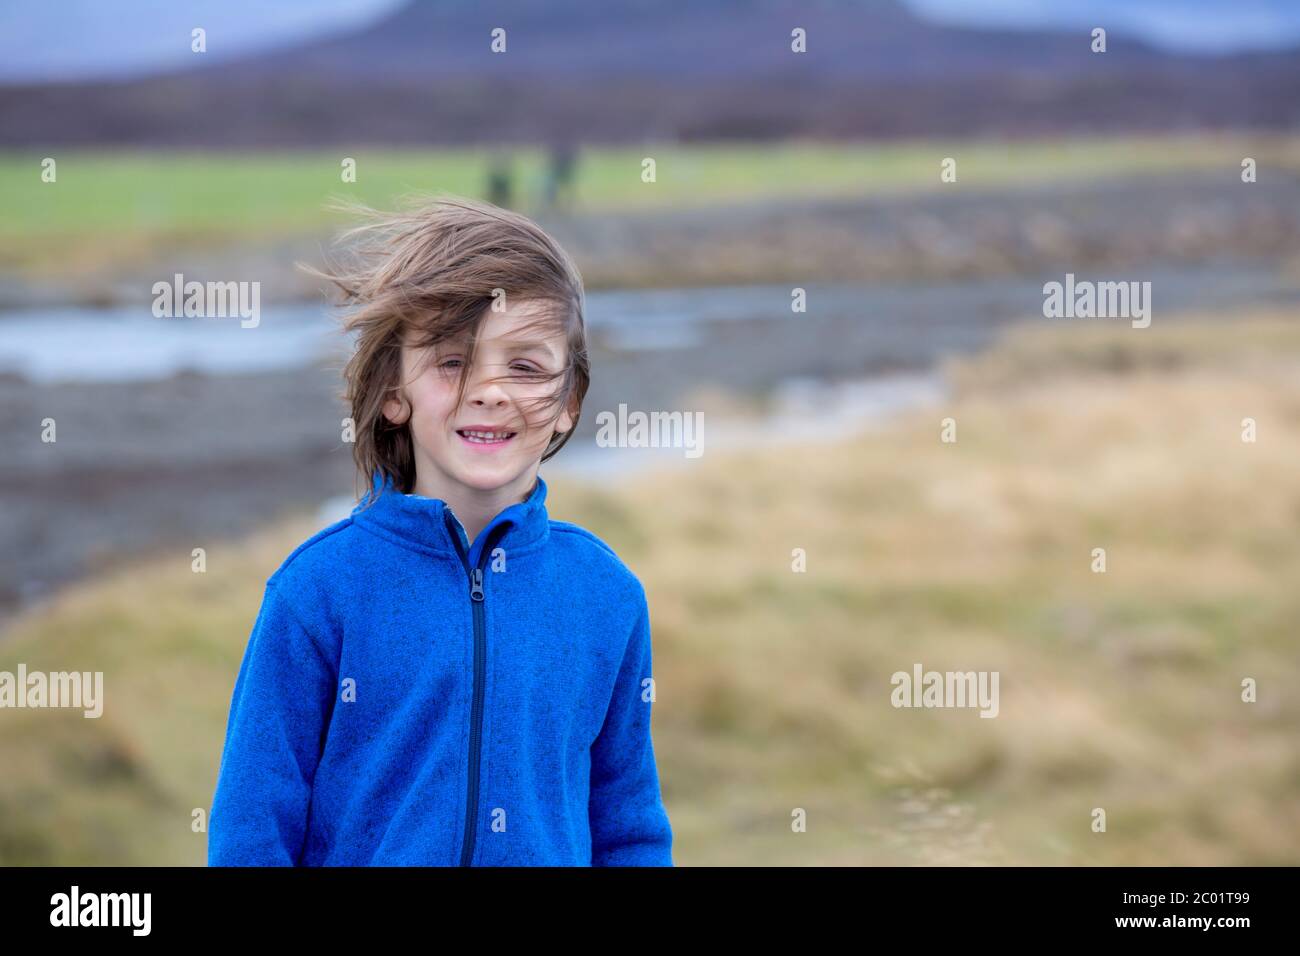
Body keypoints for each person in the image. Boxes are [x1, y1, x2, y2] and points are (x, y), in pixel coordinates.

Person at [207, 196, 673, 866]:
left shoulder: (606, 595)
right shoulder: (317, 592)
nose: (489, 390)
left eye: (526, 366)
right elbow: (252, 832)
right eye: (452, 361)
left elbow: (629, 828)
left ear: (568, 405)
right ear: (394, 393)